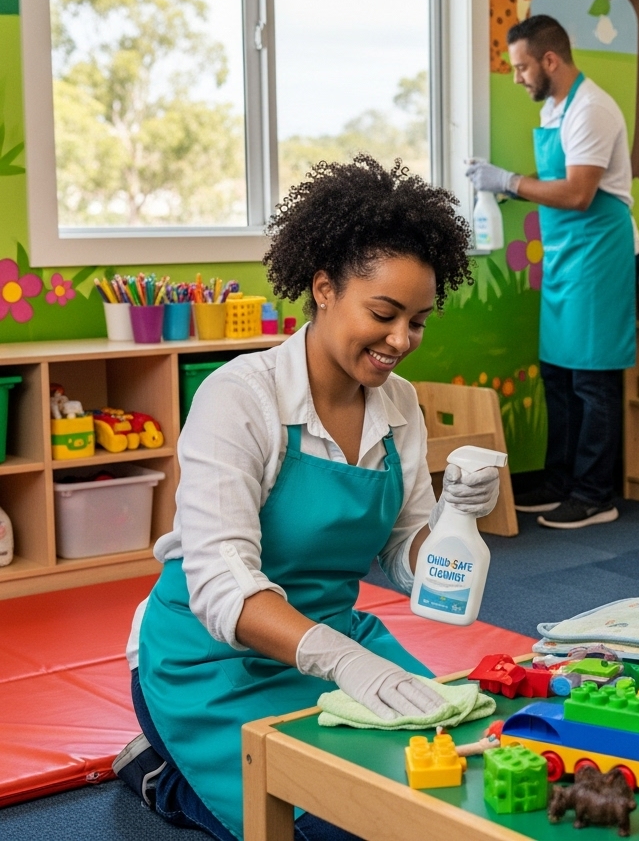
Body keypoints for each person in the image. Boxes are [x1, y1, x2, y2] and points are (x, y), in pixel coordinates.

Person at [113, 157, 501, 841]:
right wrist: (341, 662)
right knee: (340, 825)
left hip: (330, 642)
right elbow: (220, 581)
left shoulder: (400, 407)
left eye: (418, 321)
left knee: (464, 771)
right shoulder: (241, 398)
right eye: (383, 314)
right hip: (209, 662)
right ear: (323, 288)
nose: (401, 342)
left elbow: (404, 553)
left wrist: (453, 525)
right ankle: (163, 776)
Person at [467, 15, 636, 530]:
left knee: (593, 376)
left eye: (521, 67)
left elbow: (578, 193)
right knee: (559, 375)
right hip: (566, 255)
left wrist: (510, 181)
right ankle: (559, 481)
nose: (517, 77)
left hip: (598, 251)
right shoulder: (555, 108)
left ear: (550, 60)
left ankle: (594, 494)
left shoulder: (591, 110)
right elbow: (560, 180)